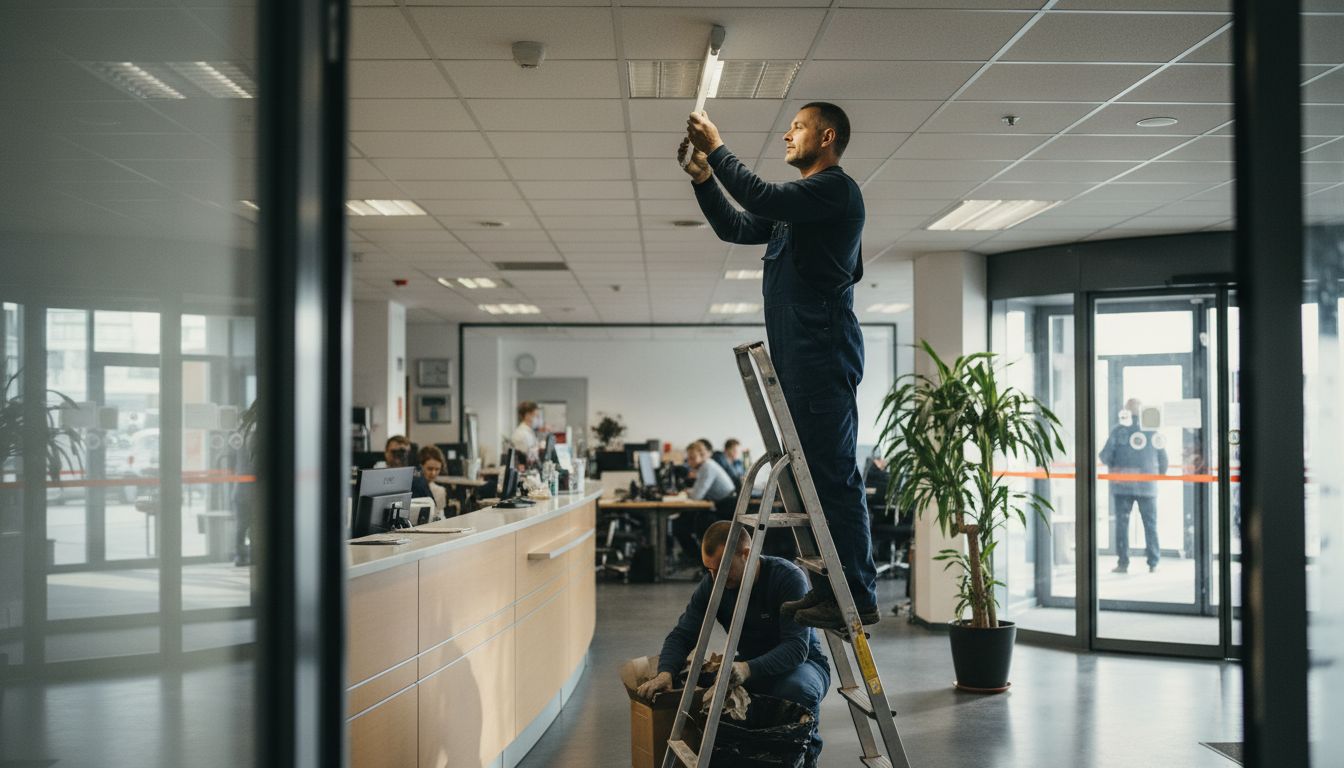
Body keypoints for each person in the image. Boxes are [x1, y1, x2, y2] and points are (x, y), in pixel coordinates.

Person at [680, 102, 879, 629]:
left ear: (827, 135)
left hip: (823, 351)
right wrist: (704, 178)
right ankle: (828, 588)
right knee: (808, 482)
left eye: (797, 128)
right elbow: (739, 226)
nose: (787, 136)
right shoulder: (797, 212)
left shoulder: (835, 190)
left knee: (832, 478)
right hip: (796, 357)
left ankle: (856, 595)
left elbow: (759, 195)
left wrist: (717, 148)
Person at [637, 521, 830, 768]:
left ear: (746, 554)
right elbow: (683, 634)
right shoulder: (714, 583)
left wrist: (747, 669)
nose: (715, 577)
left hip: (801, 665)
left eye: (722, 569)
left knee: (795, 690)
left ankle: (806, 758)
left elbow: (796, 648)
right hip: (750, 665)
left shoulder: (787, 577)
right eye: (709, 569)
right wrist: (666, 672)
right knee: (698, 687)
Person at [1098, 398, 1170, 573]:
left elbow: (1105, 456)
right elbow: (1164, 460)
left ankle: (1123, 563)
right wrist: (1156, 476)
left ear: (1126, 411)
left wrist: (1118, 465)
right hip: (1147, 486)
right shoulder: (1152, 431)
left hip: (1122, 485)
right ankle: (1153, 562)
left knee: (1122, 524)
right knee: (1150, 524)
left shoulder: (1118, 431)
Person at [672, 441, 737, 561]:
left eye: (693, 458)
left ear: (702, 455)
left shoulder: (707, 467)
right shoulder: (705, 466)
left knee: (680, 525)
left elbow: (697, 496)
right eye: (688, 458)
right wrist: (688, 492)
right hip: (721, 506)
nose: (689, 461)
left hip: (725, 509)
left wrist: (687, 493)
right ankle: (699, 560)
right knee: (682, 522)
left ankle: (699, 560)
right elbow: (698, 491)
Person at [376, 434, 433, 501]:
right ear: (386, 452)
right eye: (394, 452)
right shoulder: (377, 474)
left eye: (403, 452)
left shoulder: (416, 476)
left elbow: (429, 502)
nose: (399, 456)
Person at [418, 445, 449, 518]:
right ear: (421, 466)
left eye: (437, 469)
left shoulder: (440, 490)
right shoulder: (413, 487)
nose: (433, 473)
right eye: (430, 469)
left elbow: (441, 517)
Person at [511, 401, 542, 465]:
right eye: (536, 416)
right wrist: (539, 448)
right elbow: (524, 457)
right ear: (527, 415)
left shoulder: (529, 431)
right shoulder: (520, 434)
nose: (538, 419)